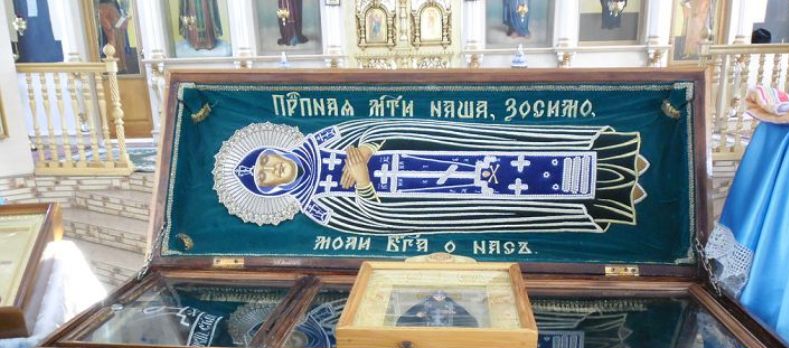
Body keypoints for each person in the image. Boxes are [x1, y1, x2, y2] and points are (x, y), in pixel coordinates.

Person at [216, 119, 648, 235]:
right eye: (265, 176)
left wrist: (369, 147)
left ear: (275, 149)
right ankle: (604, 200)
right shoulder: (315, 206)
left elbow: (378, 127)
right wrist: (363, 180)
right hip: (436, 198)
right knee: (519, 197)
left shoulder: (322, 138)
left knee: (523, 158)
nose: (272, 168)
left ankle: (609, 157)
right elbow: (375, 223)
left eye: (267, 160)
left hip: (440, 150)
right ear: (269, 189)